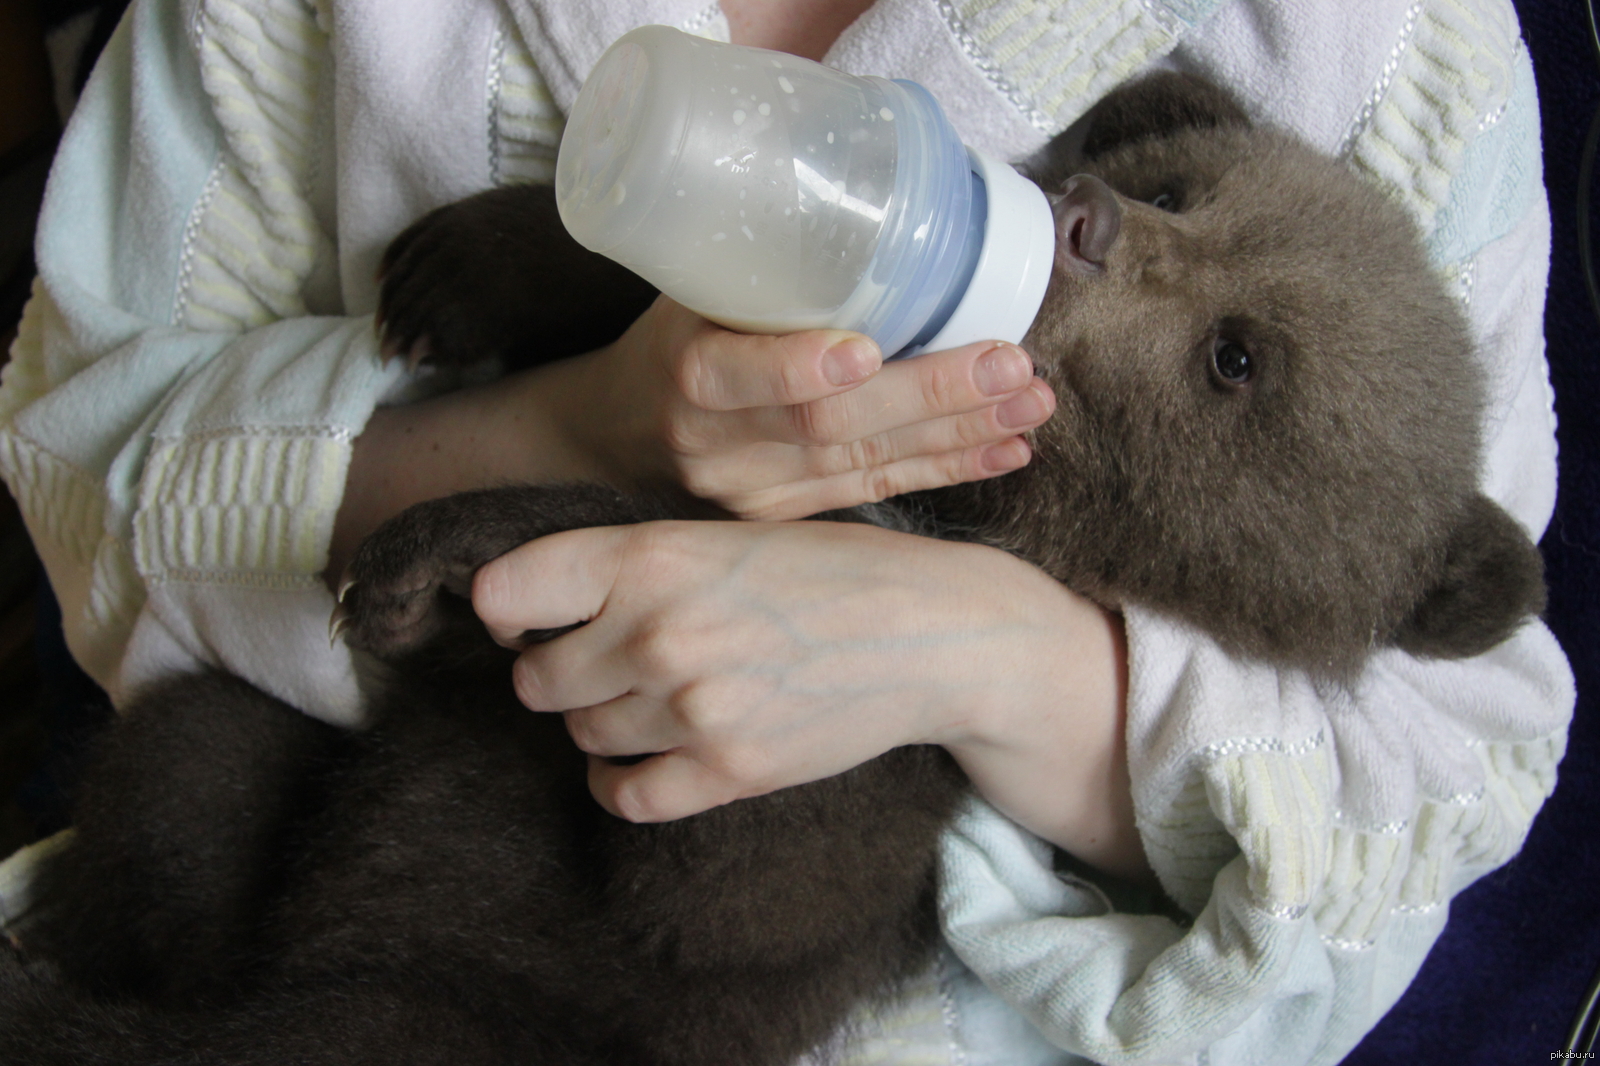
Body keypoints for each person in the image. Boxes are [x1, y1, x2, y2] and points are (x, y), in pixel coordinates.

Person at [0, 0, 1573, 1062]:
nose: (1109, 228)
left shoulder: (1391, 46)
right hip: (302, 824)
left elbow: (1453, 767)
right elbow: (82, 466)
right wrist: (575, 423)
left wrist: (994, 657)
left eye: (1229, 355)